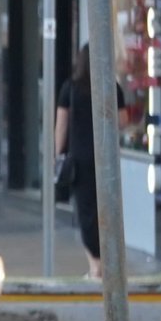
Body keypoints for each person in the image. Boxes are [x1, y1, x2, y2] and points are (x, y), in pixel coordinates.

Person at [56, 44, 129, 279]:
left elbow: (61, 126)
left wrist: (58, 156)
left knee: (86, 213)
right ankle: (104, 263)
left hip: (80, 158)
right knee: (106, 210)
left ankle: (95, 265)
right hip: (106, 159)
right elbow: (123, 121)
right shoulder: (111, 87)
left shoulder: (70, 88)